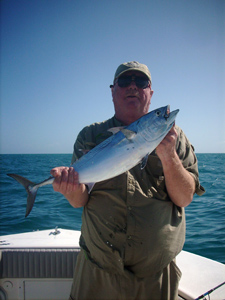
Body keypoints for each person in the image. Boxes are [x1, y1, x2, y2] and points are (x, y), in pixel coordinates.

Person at [51, 61, 205, 300]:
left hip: (156, 276)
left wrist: (168, 154)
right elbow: (79, 200)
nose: (133, 86)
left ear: (150, 93)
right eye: (125, 81)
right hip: (98, 272)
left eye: (141, 82)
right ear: (113, 91)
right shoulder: (90, 136)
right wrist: (69, 188)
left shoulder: (176, 138)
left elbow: (185, 198)